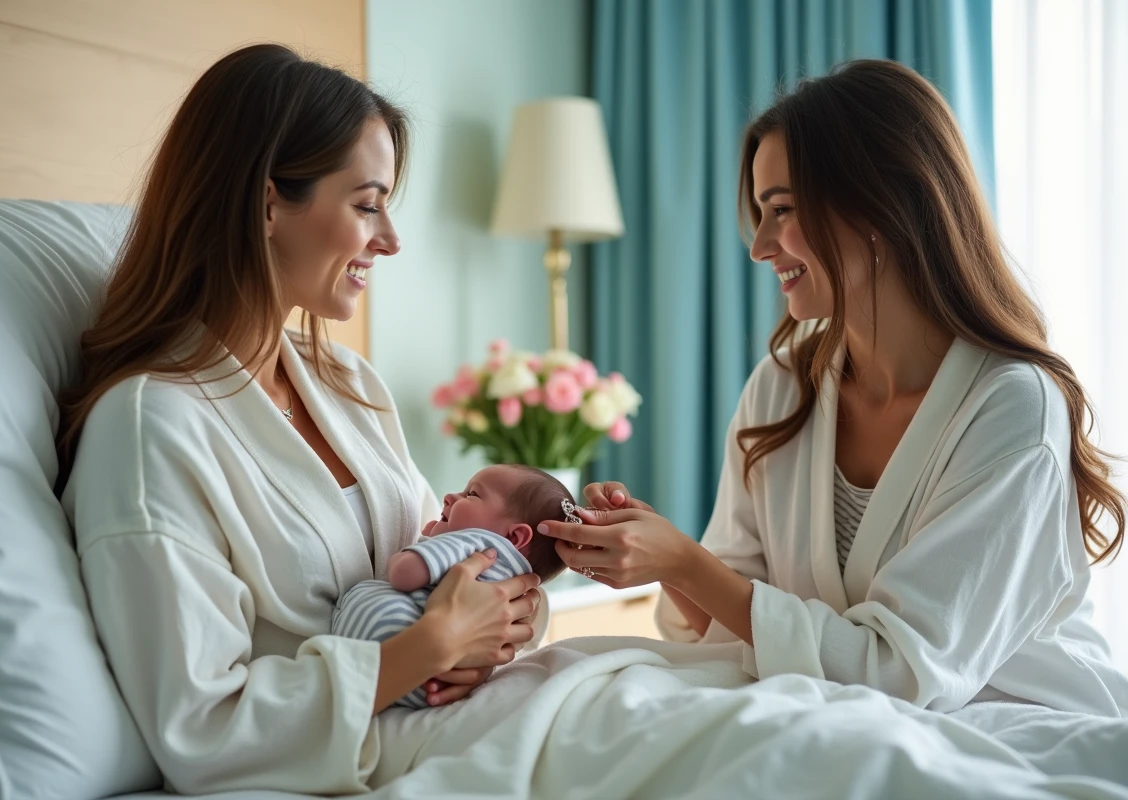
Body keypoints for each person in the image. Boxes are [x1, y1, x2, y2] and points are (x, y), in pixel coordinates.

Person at [538, 59, 1128, 717]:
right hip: (834, 716)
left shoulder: (1011, 406)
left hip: (1015, 722)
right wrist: (659, 556)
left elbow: (906, 671)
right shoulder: (782, 388)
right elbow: (736, 623)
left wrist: (684, 563)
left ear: (879, 203)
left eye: (781, 210)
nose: (760, 245)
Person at [56, 44, 543, 795]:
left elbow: (448, 560)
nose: (390, 239)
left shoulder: (346, 382)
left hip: (467, 713)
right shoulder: (151, 429)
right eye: (367, 203)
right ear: (268, 202)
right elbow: (200, 724)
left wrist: (510, 615)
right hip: (377, 751)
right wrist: (427, 649)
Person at [335, 464, 572, 709]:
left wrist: (417, 550)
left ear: (514, 537)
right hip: (436, 684)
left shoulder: (475, 541)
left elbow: (403, 574)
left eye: (472, 494)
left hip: (384, 657)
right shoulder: (514, 578)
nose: (450, 496)